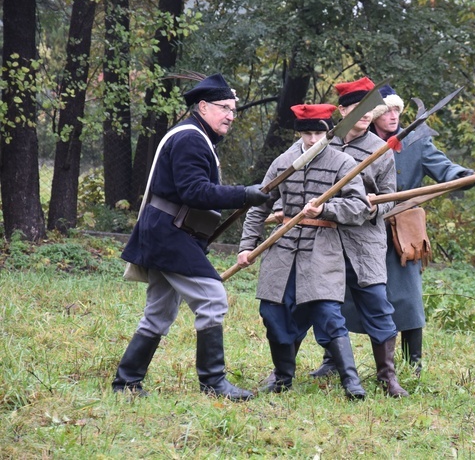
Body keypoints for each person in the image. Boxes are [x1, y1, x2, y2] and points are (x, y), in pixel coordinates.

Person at [113, 73, 270, 401]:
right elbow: (194, 191)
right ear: (203, 106)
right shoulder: (190, 139)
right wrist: (243, 194)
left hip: (169, 232)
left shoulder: (198, 138)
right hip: (169, 235)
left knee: (158, 312)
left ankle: (126, 383)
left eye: (233, 109)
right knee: (213, 298)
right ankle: (213, 383)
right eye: (224, 108)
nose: (230, 115)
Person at [237, 103, 371, 400]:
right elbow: (258, 206)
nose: (312, 140)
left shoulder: (342, 162)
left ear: (328, 133)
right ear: (299, 133)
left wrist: (328, 208)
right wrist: (247, 247)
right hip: (282, 249)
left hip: (322, 248)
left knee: (328, 312)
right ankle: (282, 377)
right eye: (307, 133)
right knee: (272, 312)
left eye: (318, 133)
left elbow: (361, 207)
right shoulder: (282, 161)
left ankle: (352, 382)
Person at [305, 77, 408, 397]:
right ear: (343, 111)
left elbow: (389, 198)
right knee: (318, 303)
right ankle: (301, 368)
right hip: (323, 238)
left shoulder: (381, 150)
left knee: (377, 304)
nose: (366, 115)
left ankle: (387, 377)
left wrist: (367, 208)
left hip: (364, 241)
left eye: (371, 110)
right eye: (358, 109)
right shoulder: (323, 144)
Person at [366, 84, 474, 375]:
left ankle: (412, 364)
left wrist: (462, 176)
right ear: (374, 115)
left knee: (407, 297)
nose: (393, 116)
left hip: (403, 231)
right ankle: (333, 362)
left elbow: (444, 167)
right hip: (364, 227)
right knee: (350, 295)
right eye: (387, 110)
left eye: (397, 110)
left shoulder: (416, 143)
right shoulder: (360, 143)